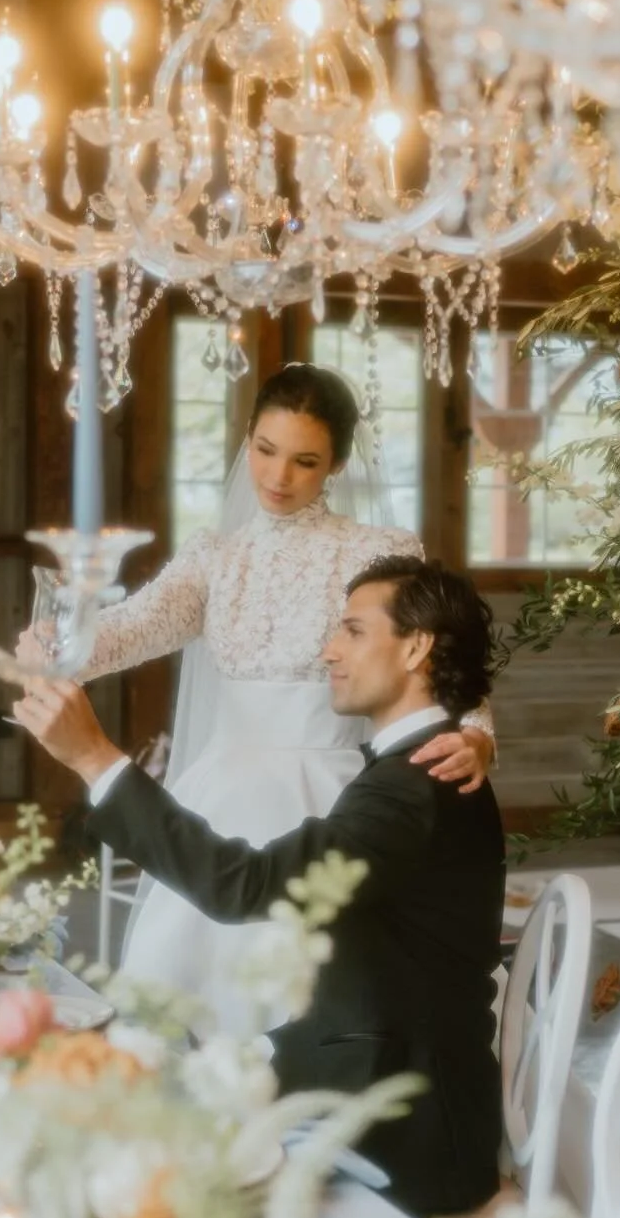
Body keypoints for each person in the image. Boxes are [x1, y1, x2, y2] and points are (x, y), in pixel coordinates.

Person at [17, 555, 505, 1218]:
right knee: (133, 1103)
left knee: (129, 1172)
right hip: (367, 1061)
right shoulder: (412, 768)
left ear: (417, 645)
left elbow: (244, 886)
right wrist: (260, 1056)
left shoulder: (412, 786)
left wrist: (93, 757)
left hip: (403, 1128)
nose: (328, 649)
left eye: (353, 631)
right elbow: (377, 978)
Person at [46, 363, 494, 1032]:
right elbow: (127, 631)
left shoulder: (379, 552)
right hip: (220, 797)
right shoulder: (214, 557)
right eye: (265, 450)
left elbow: (440, 651)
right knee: (179, 999)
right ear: (246, 440)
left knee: (303, 995)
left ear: (337, 463)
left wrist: (479, 731)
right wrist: (58, 638)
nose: (279, 478)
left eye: (305, 461)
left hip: (331, 797)